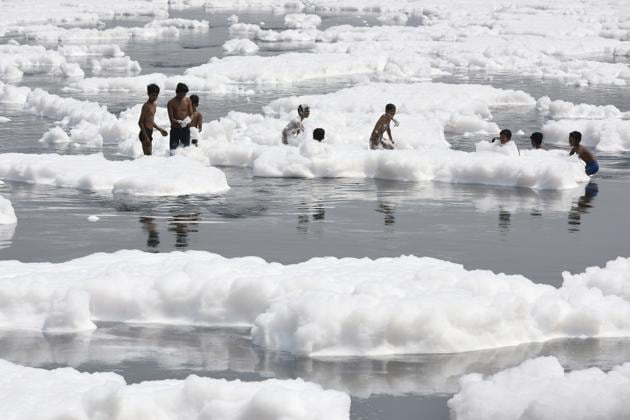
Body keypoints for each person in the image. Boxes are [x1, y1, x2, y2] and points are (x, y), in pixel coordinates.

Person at [137, 83, 167, 156]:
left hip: (150, 132)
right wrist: (146, 137)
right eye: (153, 95)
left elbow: (150, 121)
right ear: (148, 94)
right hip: (144, 133)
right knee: (148, 156)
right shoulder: (146, 106)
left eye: (156, 95)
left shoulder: (154, 106)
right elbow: (140, 122)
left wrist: (160, 129)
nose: (155, 97)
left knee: (149, 156)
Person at [167, 82, 193, 151]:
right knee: (173, 149)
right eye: (181, 94)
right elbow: (171, 119)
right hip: (175, 129)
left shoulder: (188, 100)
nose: (182, 96)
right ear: (176, 92)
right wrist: (179, 122)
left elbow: (191, 114)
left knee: (186, 149)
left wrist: (188, 120)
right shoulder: (171, 103)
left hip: (185, 129)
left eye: (184, 94)